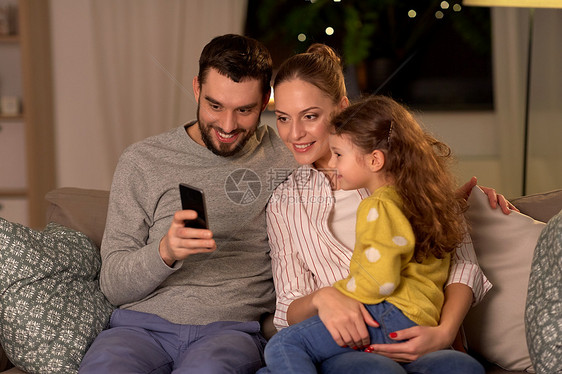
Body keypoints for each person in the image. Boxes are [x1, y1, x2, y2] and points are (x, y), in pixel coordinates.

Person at [264, 44, 515, 374]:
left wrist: (443, 333)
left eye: (310, 116)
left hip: (421, 336)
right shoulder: (284, 203)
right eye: (283, 118)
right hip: (347, 346)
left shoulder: (405, 178)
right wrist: (322, 298)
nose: (294, 133)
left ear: (342, 108)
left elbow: (462, 266)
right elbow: (287, 306)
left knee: (458, 367)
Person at [79, 34, 297, 373]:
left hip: (229, 331)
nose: (227, 126)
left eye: (244, 110)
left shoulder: (287, 156)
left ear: (266, 99)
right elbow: (113, 285)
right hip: (139, 329)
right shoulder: (144, 160)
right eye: (215, 106)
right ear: (196, 89)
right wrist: (165, 251)